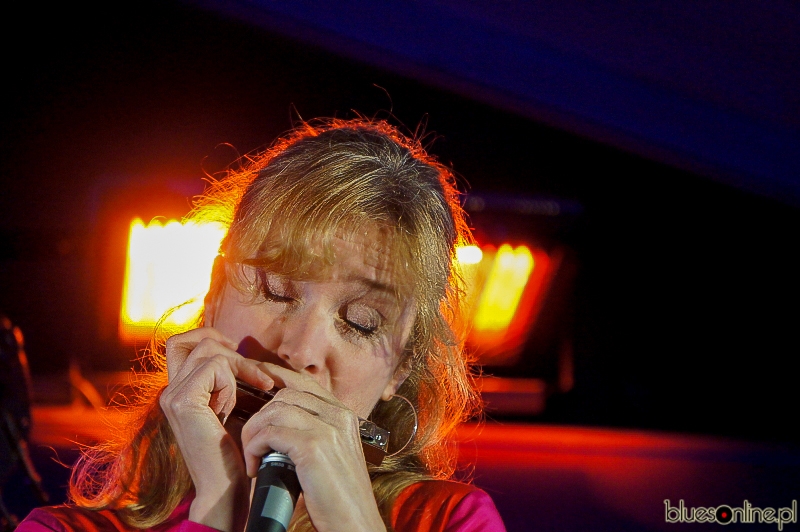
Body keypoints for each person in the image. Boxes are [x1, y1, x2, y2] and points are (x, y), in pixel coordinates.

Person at [19, 119, 506, 532]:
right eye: (278, 291)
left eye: (360, 322)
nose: (300, 350)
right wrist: (218, 507)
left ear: (398, 369)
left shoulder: (451, 520)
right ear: (214, 295)